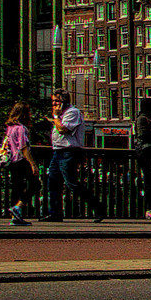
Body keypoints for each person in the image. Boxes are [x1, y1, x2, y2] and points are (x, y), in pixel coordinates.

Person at [44, 90, 103, 222]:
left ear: (64, 101)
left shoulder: (73, 113)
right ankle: (55, 213)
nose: (54, 104)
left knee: (72, 183)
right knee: (52, 183)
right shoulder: (61, 114)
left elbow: (63, 129)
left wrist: (55, 117)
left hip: (69, 151)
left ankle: (98, 208)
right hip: (58, 151)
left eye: (57, 101)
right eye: (53, 101)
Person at [0, 102, 40, 225]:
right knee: (35, 184)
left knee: (17, 187)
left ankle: (15, 216)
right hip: (21, 160)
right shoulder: (22, 129)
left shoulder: (10, 128)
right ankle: (18, 207)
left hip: (11, 161)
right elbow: (24, 148)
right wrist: (33, 164)